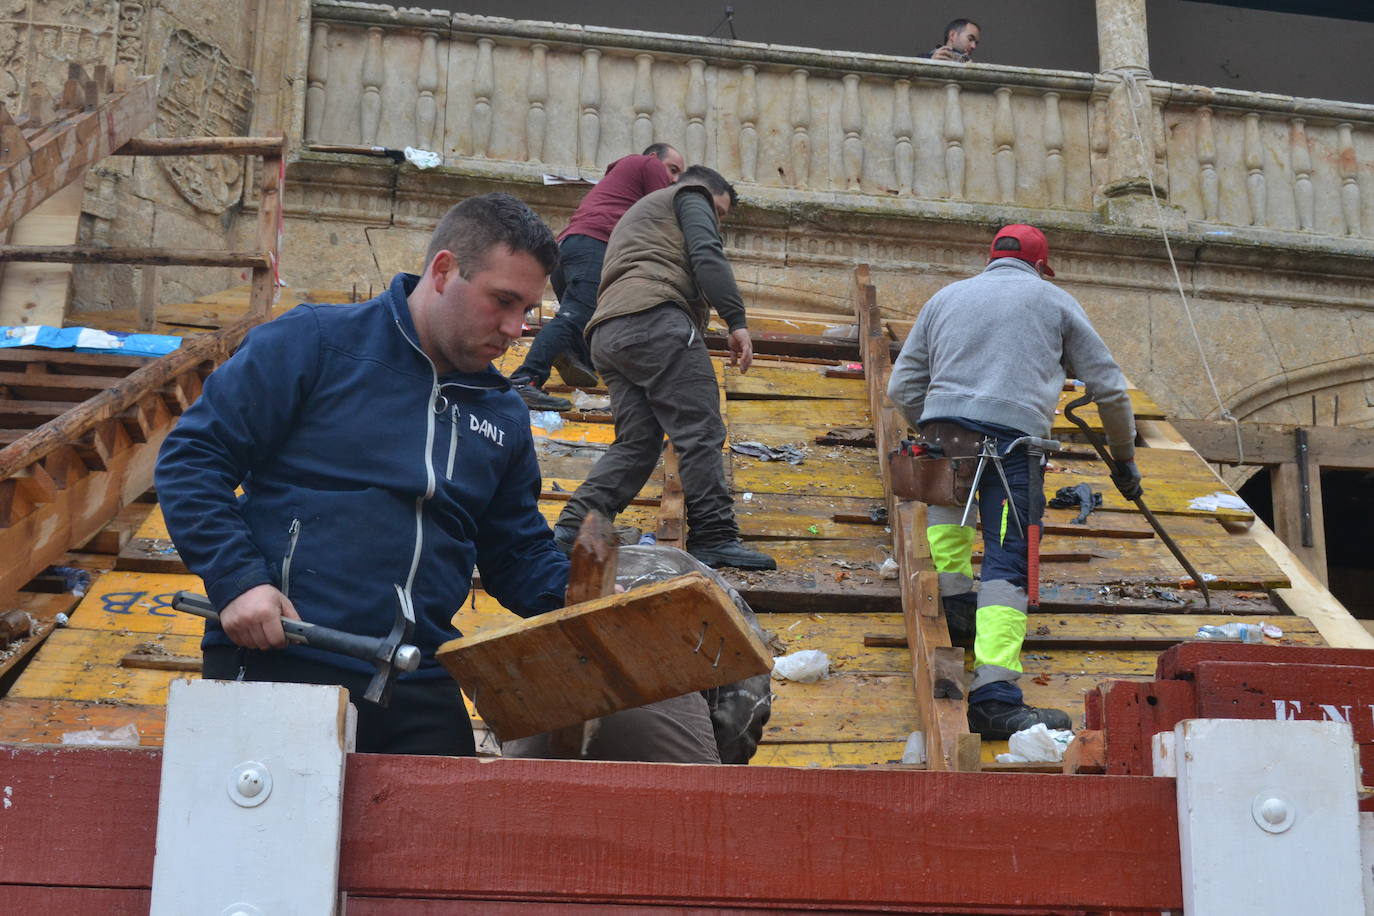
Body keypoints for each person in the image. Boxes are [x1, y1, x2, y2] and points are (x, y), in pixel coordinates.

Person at [155, 193, 571, 756]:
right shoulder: (316, 343)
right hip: (288, 654)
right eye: (503, 301)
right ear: (444, 270)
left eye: (527, 310)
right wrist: (238, 581)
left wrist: (586, 598)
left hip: (417, 677)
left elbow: (515, 552)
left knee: (445, 841)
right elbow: (193, 457)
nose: (516, 328)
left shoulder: (503, 413)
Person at [886, 224, 1141, 740]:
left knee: (948, 517)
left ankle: (955, 603)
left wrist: (936, 425)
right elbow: (1110, 389)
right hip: (1014, 450)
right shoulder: (1054, 301)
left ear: (991, 258)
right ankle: (995, 696)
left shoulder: (945, 298)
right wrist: (1124, 458)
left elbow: (902, 385)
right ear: (1041, 265)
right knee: (1007, 563)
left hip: (944, 435)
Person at [551, 165, 775, 572]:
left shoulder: (635, 218)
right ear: (706, 191)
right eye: (719, 213)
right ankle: (716, 537)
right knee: (700, 429)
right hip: (654, 319)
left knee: (637, 443)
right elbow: (707, 254)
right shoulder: (690, 195)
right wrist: (736, 320)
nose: (715, 220)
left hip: (607, 333)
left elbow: (562, 269)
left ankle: (572, 526)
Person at [512, 143, 687, 411]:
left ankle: (572, 356)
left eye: (678, 175)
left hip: (570, 247)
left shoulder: (619, 179)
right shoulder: (647, 164)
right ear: (654, 158)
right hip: (595, 245)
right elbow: (665, 219)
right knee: (575, 317)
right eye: (672, 170)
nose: (674, 179)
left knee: (591, 320)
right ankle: (525, 380)